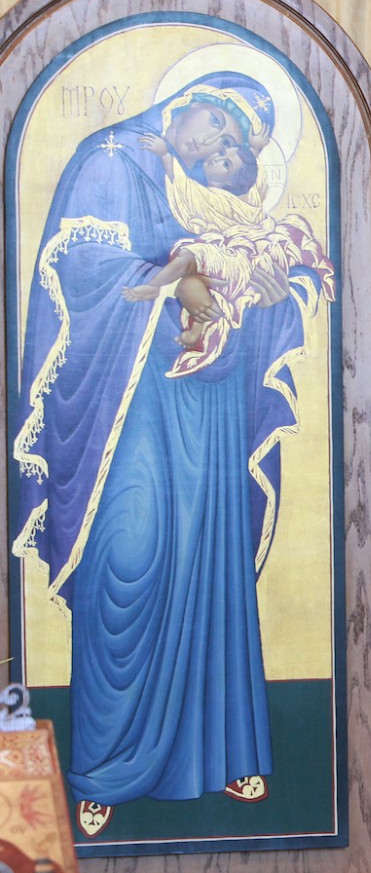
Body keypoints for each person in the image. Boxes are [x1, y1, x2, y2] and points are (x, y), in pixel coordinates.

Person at [12, 73, 316, 835]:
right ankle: (103, 766)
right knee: (127, 559)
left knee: (212, 563)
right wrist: (176, 285)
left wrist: (266, 294)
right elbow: (80, 270)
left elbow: (261, 276)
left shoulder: (212, 196)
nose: (217, 148)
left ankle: (225, 751)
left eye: (233, 147)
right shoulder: (112, 160)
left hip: (211, 406)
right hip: (126, 406)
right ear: (188, 100)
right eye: (218, 128)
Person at [122, 141, 336, 375]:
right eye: (222, 152)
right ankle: (196, 331)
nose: (216, 157)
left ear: (228, 182)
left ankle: (153, 287)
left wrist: (165, 155)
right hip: (239, 252)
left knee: (188, 258)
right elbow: (251, 177)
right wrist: (254, 149)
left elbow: (185, 188)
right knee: (203, 288)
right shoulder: (247, 196)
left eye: (225, 163)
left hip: (240, 254)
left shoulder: (214, 199)